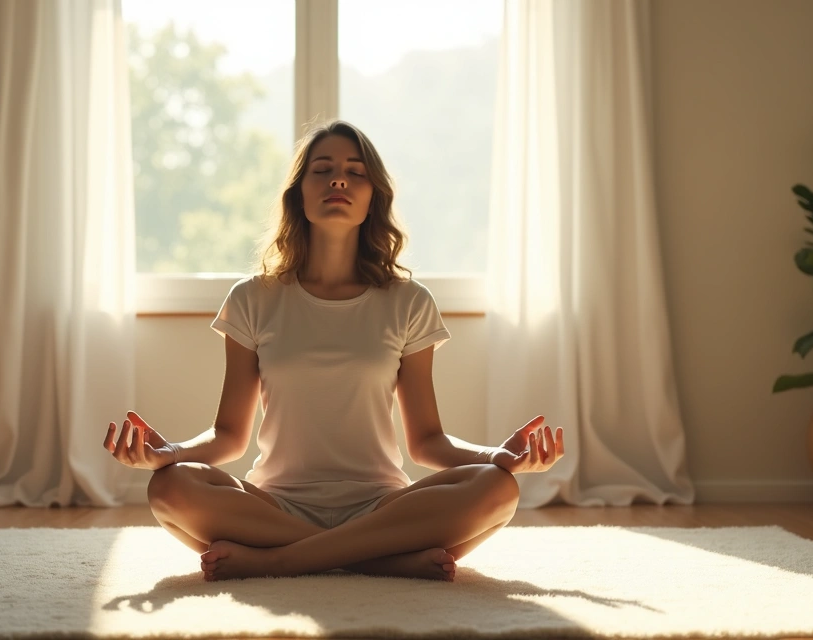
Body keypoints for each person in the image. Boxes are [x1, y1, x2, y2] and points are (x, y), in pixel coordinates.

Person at [102, 120, 565, 582]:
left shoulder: (408, 301)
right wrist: (171, 452)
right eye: (322, 170)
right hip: (274, 504)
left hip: (382, 504)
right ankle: (377, 560)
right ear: (299, 194)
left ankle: (282, 560)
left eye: (355, 172)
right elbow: (229, 436)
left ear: (372, 198)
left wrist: (495, 457)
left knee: (498, 490)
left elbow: (427, 442)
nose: (338, 180)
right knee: (170, 486)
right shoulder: (252, 298)